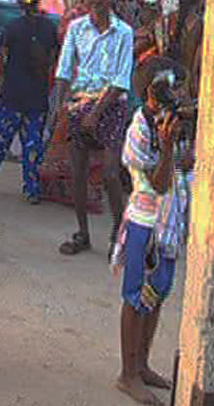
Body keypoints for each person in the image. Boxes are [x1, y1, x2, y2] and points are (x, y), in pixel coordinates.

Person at [112, 66, 191, 405]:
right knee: (135, 297)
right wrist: (169, 144)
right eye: (176, 93)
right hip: (145, 223)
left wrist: (178, 145)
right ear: (152, 96)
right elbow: (158, 184)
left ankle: (141, 365)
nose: (182, 99)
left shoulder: (171, 124)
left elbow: (184, 167)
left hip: (168, 226)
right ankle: (127, 374)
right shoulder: (139, 131)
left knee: (156, 295)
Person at [50, 0, 133, 257]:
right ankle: (82, 233)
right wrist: (58, 106)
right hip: (79, 102)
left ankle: (117, 233)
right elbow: (63, 70)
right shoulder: (76, 28)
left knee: (111, 173)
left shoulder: (124, 32)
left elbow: (121, 80)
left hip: (110, 104)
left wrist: (96, 113)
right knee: (78, 172)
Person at [0, 0, 58, 203]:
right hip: (37, 97)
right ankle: (32, 190)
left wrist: (4, 79)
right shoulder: (49, 27)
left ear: (18, 0)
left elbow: (1, 59)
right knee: (33, 146)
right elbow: (53, 60)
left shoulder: (12, 27)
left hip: (12, 95)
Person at [165, 0, 203, 100]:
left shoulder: (170, 19)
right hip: (188, 82)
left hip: (168, 77)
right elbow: (196, 62)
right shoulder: (199, 24)